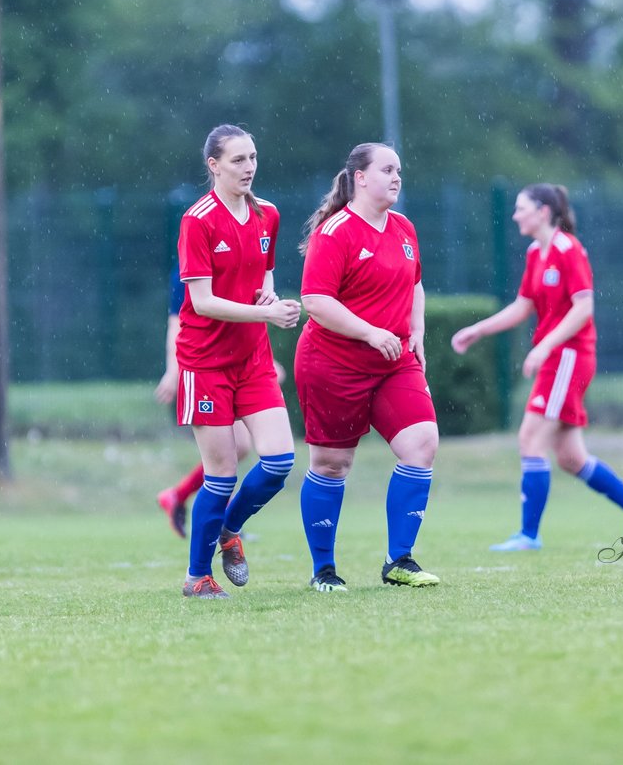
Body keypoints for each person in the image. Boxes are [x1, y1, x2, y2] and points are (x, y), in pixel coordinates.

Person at [451, 183, 623, 552]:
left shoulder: (568, 249)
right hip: (556, 357)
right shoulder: (536, 252)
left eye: (521, 208)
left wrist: (545, 346)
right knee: (569, 456)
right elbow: (522, 306)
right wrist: (478, 330)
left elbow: (584, 308)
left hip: (568, 357)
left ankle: (529, 536)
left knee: (530, 439)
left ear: (543, 212)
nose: (515, 215)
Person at [295, 142, 440, 593]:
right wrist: (370, 332)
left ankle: (400, 560)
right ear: (359, 176)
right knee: (333, 464)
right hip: (333, 363)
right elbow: (315, 301)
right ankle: (323, 570)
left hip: (395, 362)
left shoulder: (403, 228)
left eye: (400, 170)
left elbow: (415, 284)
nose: (396, 178)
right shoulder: (336, 231)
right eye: (387, 170)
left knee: (422, 444)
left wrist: (415, 329)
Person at [175, 124, 301, 599]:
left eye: (252, 158)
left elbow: (263, 277)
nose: (248, 168)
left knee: (279, 462)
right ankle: (197, 578)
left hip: (253, 360)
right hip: (205, 362)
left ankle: (228, 530)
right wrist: (265, 313)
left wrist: (272, 300)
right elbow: (203, 302)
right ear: (214, 166)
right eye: (237, 160)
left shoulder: (268, 214)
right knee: (221, 473)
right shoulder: (198, 220)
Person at [154, 265, 285, 538]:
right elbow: (178, 322)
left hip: (237, 365)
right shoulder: (193, 262)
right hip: (208, 369)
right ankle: (218, 526)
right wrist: (172, 369)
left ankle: (191, 503)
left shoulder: (245, 249)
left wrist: (264, 362)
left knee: (238, 449)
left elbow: (244, 317)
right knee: (229, 455)